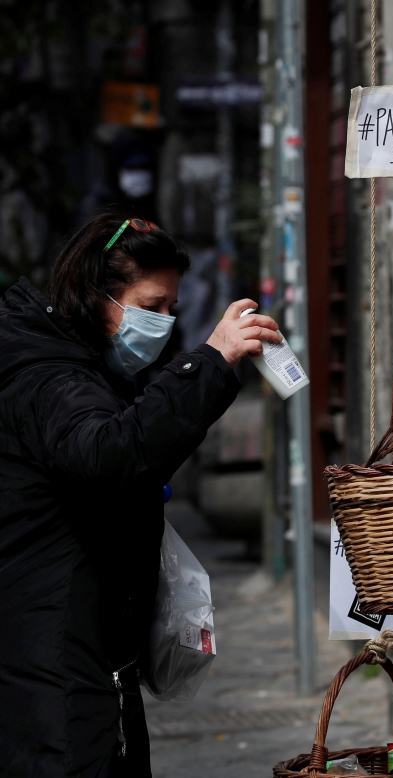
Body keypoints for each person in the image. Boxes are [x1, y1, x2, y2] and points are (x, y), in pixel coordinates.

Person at [0, 213, 281, 777]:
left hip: (87, 647)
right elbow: (114, 452)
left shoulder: (80, 369)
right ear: (92, 295)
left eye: (171, 310)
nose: (164, 323)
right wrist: (211, 362)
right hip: (52, 653)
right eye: (150, 307)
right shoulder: (50, 379)